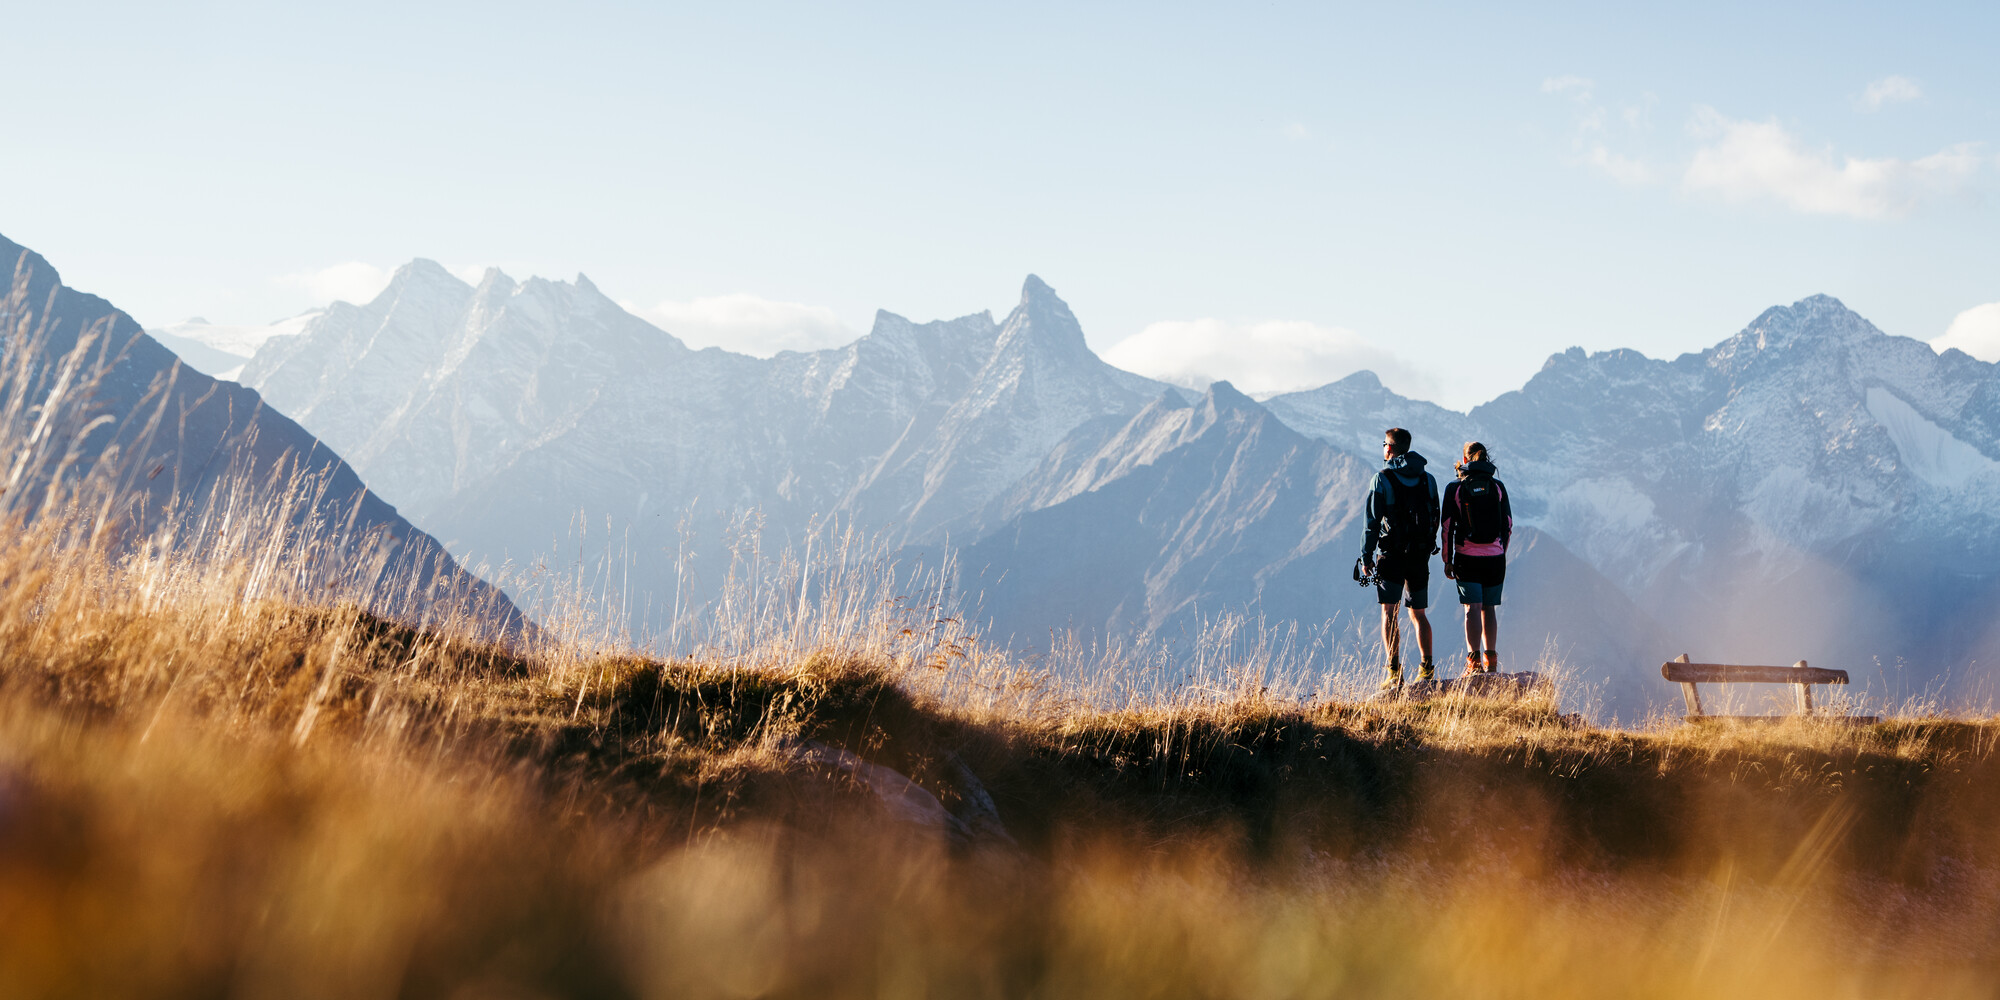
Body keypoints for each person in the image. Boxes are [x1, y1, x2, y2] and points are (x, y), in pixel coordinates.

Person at [1361, 428, 1439, 689]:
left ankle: (1394, 672)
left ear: (1390, 449)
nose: (1383, 448)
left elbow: (1371, 523)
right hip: (1419, 555)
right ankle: (1426, 669)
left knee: (1389, 612)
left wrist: (1366, 556)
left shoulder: (1381, 479)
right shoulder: (1428, 479)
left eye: (1384, 444)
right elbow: (1435, 516)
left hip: (1390, 555)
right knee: (1419, 613)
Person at [1441, 442, 1512, 674]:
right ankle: (1491, 661)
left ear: (1465, 459)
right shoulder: (1498, 486)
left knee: (1472, 608)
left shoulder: (1455, 488)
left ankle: (1473, 663)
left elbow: (1447, 526)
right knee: (1489, 608)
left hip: (1466, 557)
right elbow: (1508, 525)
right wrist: (1501, 550)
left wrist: (1447, 559)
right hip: (1495, 558)